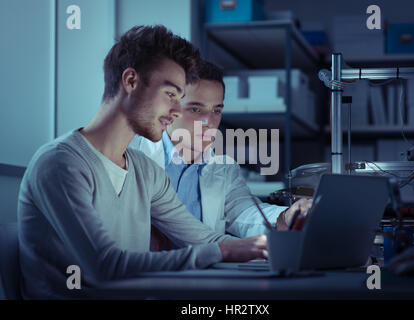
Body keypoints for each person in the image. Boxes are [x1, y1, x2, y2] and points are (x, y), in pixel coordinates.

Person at [17, 25, 268, 299]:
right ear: (131, 81)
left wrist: (272, 247)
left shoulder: (145, 171)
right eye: (171, 95)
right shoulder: (60, 163)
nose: (175, 111)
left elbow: (207, 240)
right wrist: (222, 250)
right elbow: (105, 266)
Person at [131, 59, 311, 246]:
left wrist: (288, 216)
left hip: (202, 273)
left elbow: (245, 213)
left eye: (216, 110)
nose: (209, 121)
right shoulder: (134, 155)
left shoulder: (222, 168)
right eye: (195, 109)